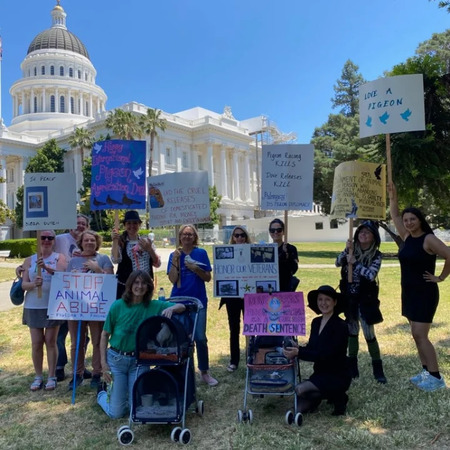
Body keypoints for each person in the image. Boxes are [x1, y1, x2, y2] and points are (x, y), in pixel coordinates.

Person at [97, 270, 185, 419]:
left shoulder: (154, 305)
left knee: (135, 410)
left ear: (149, 287)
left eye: (144, 283)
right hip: (117, 360)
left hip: (139, 361)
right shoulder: (117, 306)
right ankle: (101, 395)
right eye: (136, 283)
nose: (140, 286)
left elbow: (181, 306)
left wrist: (171, 308)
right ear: (130, 285)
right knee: (116, 414)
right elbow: (104, 335)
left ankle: (121, 396)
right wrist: (103, 364)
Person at [389, 182, 450, 392]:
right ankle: (426, 372)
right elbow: (394, 214)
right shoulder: (406, 237)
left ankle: (436, 377)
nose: (408, 222)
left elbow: (449, 255)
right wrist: (393, 195)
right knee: (415, 334)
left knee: (421, 334)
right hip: (409, 292)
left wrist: (441, 277)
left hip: (425, 292)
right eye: (406, 220)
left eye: (412, 219)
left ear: (420, 220)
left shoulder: (428, 239)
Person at [284, 285, 351, 416]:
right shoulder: (316, 322)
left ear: (335, 302)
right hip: (320, 373)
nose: (323, 303)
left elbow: (328, 355)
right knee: (299, 402)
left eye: (327, 300)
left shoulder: (341, 326)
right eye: (320, 299)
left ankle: (339, 395)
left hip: (337, 374)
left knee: (300, 389)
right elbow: (312, 348)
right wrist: (298, 348)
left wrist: (299, 353)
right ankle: (318, 400)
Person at [336, 220, 387, 383]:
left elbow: (371, 275)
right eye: (361, 232)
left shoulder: (376, 255)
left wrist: (355, 263)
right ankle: (352, 368)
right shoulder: (351, 251)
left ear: (374, 237)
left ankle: (378, 369)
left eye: (367, 232)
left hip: (366, 298)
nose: (363, 234)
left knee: (368, 332)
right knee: (352, 331)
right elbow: (337, 262)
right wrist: (346, 251)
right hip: (349, 297)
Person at [167, 224, 218, 386]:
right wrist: (175, 262)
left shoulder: (201, 253)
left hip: (198, 302)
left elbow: (208, 278)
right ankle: (183, 370)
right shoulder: (174, 254)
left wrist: (195, 268)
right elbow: (172, 280)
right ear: (180, 237)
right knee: (180, 339)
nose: (187, 237)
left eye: (190, 234)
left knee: (200, 338)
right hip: (178, 300)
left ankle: (204, 372)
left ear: (194, 237)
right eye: (184, 234)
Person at [67, 230, 114, 390]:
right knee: (76, 342)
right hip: (76, 307)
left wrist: (97, 269)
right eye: (86, 240)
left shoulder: (103, 259)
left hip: (96, 307)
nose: (89, 243)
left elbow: (110, 280)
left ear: (97, 242)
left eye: (92, 240)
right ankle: (77, 373)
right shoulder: (73, 261)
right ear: (81, 243)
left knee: (97, 341)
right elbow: (65, 283)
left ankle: (96, 373)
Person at [21, 230, 67, 391]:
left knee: (50, 341)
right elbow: (23, 285)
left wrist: (46, 268)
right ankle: (38, 376)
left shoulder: (59, 258)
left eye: (50, 238)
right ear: (38, 239)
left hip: (52, 304)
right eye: (43, 237)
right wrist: (34, 284)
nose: (46, 240)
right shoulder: (29, 260)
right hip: (33, 305)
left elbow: (62, 276)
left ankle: (52, 375)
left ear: (54, 241)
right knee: (36, 343)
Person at [54, 213, 90, 382]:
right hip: (63, 291)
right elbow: (44, 251)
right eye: (77, 223)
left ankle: (80, 366)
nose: (80, 226)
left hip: (82, 294)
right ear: (70, 225)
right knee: (60, 333)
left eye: (83, 223)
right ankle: (59, 366)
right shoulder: (60, 239)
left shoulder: (87, 241)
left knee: (83, 335)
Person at [219, 226, 251, 372]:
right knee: (234, 329)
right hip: (232, 297)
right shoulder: (227, 252)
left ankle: (251, 358)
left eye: (242, 235)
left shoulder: (251, 251)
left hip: (249, 295)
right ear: (232, 237)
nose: (239, 238)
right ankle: (234, 360)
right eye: (236, 235)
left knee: (250, 328)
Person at [111, 210, 161, 299]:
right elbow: (115, 260)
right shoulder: (121, 242)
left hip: (144, 286)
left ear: (139, 225)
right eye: (129, 223)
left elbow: (157, 263)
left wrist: (150, 249)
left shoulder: (146, 241)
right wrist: (115, 241)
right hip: (126, 287)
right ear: (125, 225)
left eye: (135, 223)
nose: (132, 226)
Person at [268, 218, 299, 292]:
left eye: (279, 230)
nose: (275, 232)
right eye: (272, 230)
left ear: (283, 232)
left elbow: (294, 269)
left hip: (285, 287)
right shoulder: (266, 249)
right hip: (269, 287)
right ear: (270, 232)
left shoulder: (291, 248)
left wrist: (287, 256)